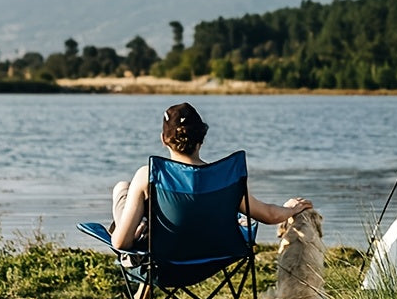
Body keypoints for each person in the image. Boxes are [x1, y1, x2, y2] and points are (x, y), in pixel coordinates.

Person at [110, 102, 312, 251]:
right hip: (215, 258)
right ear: (202, 139)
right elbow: (269, 215)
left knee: (122, 188)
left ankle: (142, 227)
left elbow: (121, 243)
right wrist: (292, 209)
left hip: (163, 262)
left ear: (163, 139)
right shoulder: (225, 177)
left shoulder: (149, 175)